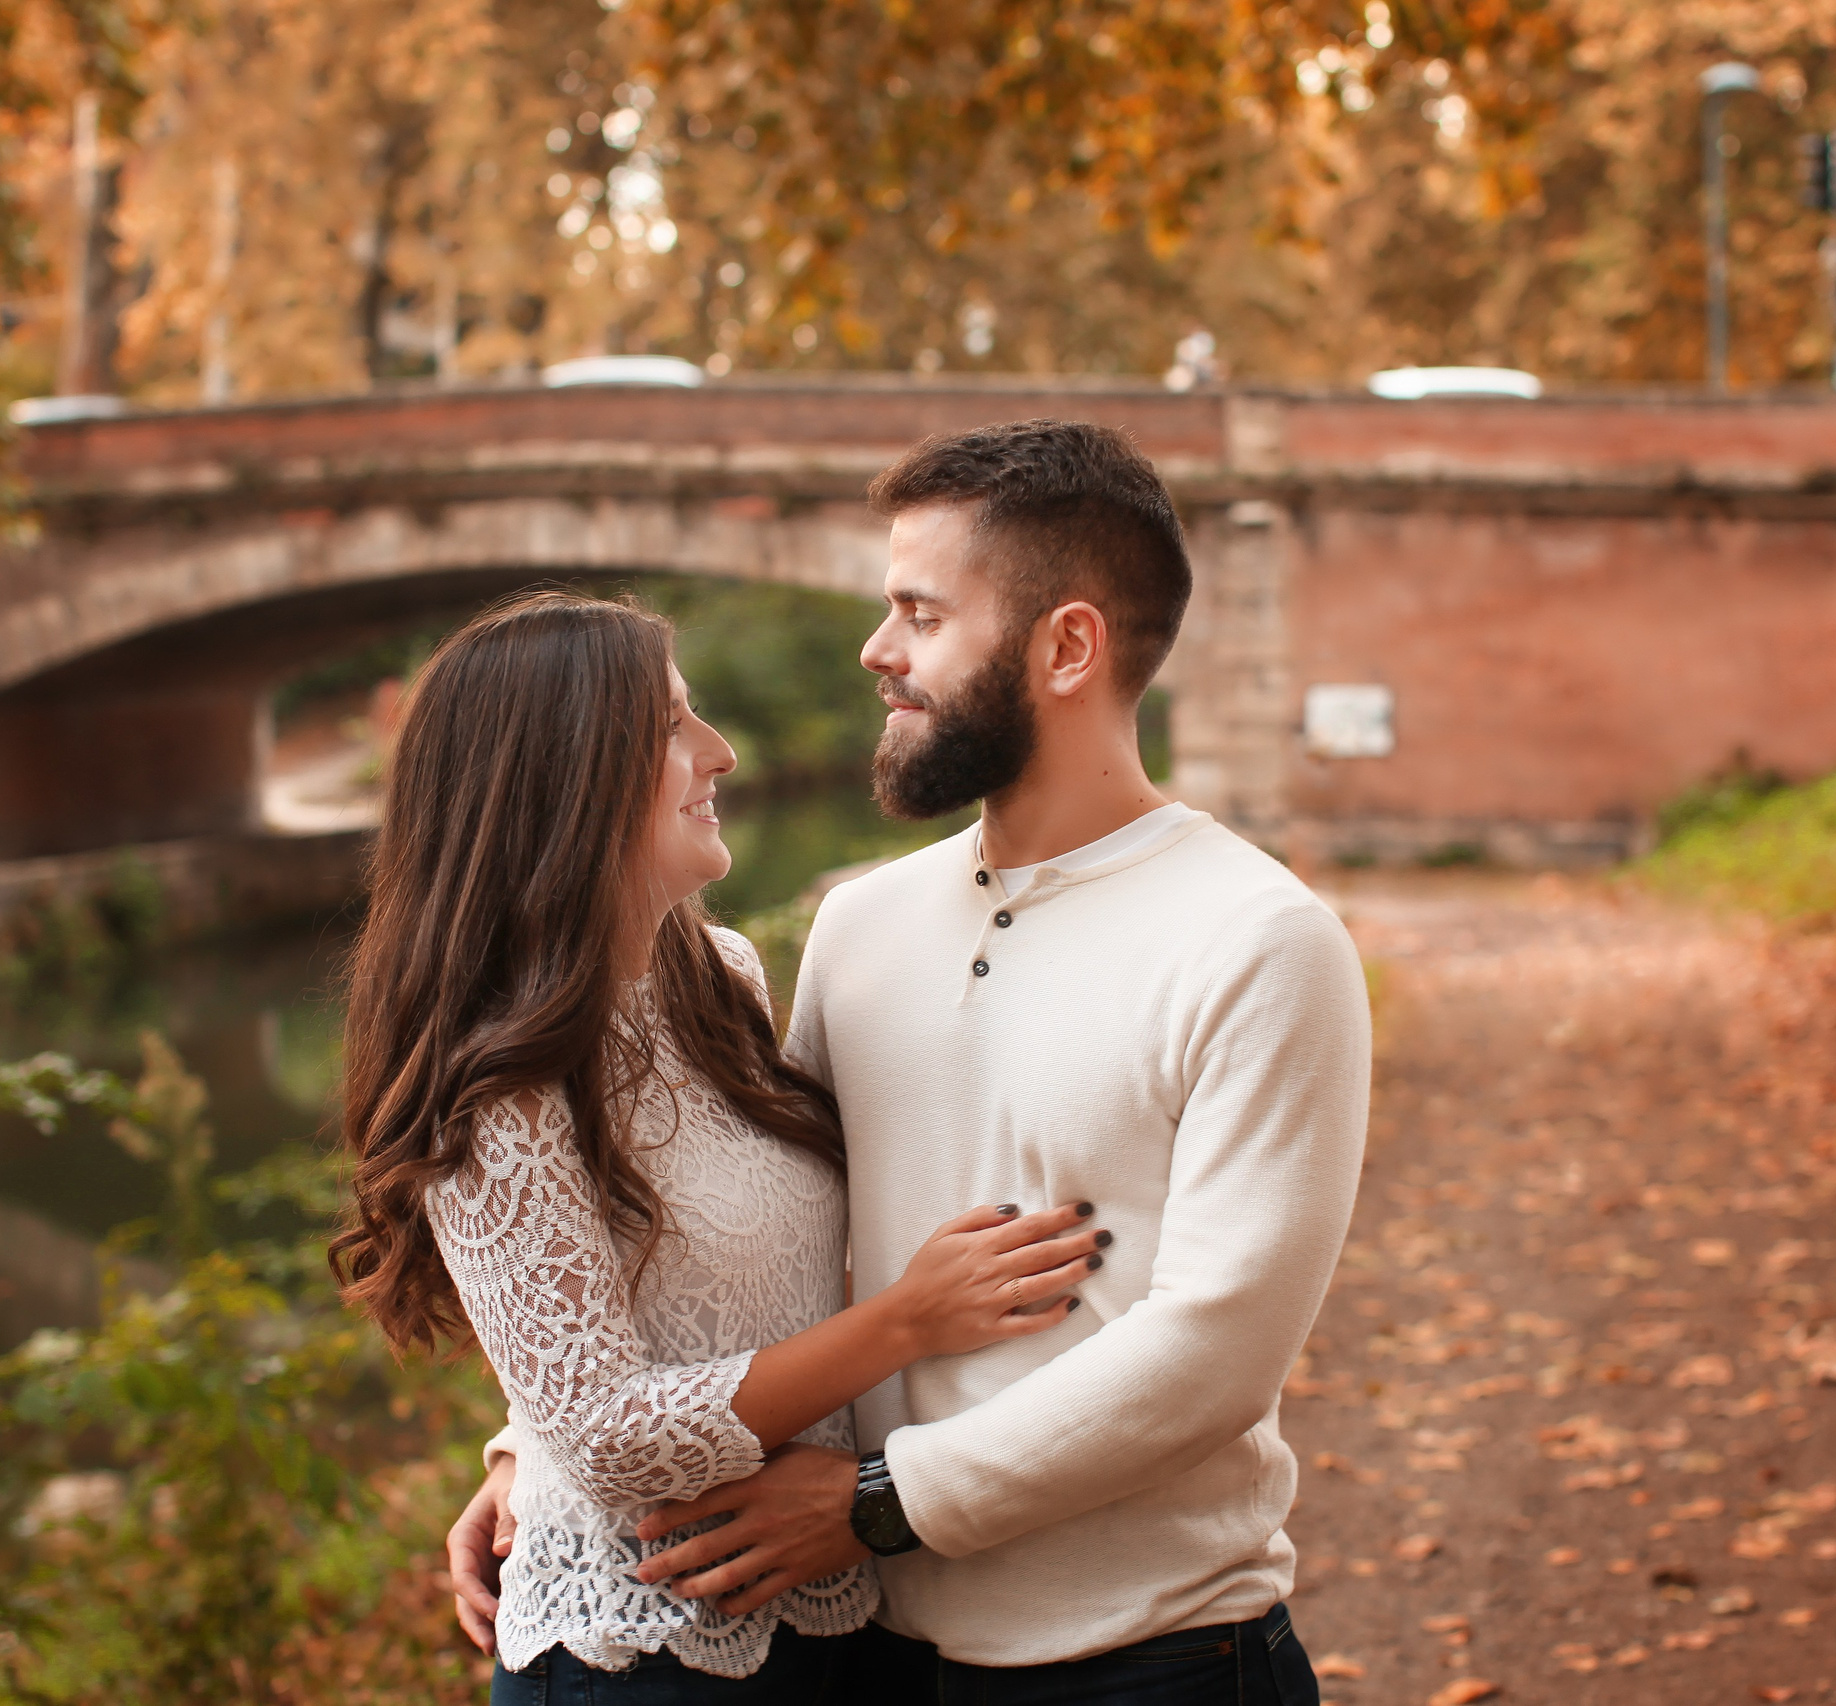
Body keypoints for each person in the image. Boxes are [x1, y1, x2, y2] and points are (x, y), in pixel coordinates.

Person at [449, 422, 1371, 1705]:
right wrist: (539, 1443)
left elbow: (1214, 1355)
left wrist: (881, 1503)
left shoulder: (1258, 940)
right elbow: (753, 1224)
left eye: (920, 614)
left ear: (1066, 647)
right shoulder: (861, 923)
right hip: (870, 1651)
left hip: (1144, 1655)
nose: (876, 649)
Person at [329, 590, 1113, 1703]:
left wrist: (521, 1446)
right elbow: (604, 1435)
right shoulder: (493, 1088)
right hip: (647, 1649)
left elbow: (672, 1304)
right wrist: (906, 1319)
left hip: (834, 1599)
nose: (721, 752)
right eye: (670, 726)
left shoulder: (716, 977)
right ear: (561, 777)